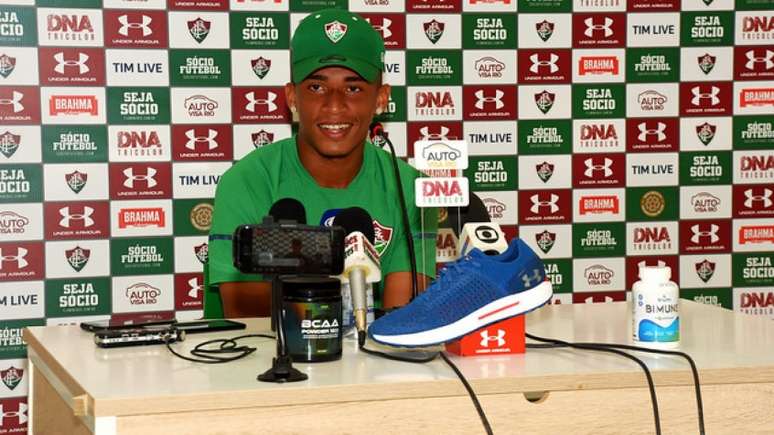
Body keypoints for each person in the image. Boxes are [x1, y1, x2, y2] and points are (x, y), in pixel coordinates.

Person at [205, 9, 437, 318]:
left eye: (353, 88)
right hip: (263, 360)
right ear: (292, 97)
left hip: (372, 360)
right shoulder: (248, 180)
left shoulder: (410, 186)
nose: (334, 105)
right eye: (316, 87)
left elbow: (403, 317)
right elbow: (249, 315)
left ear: (381, 99)